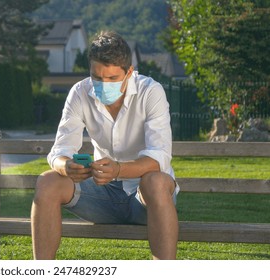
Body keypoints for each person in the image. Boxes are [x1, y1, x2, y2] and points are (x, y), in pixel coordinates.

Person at [31, 31, 179, 260]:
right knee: (47, 181)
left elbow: (159, 157)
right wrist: (66, 167)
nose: (102, 85)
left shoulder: (151, 91)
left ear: (129, 72)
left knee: (156, 180)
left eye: (111, 79)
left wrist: (118, 169)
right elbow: (59, 152)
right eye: (96, 78)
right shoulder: (80, 92)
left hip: (147, 199)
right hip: (102, 194)